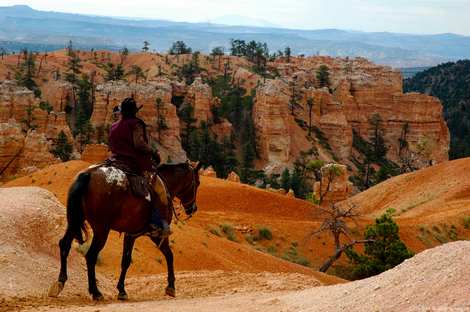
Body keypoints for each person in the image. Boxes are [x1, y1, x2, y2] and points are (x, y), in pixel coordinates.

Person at [108, 97, 170, 237]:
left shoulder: (114, 126)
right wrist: (153, 152)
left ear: (122, 111)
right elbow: (139, 144)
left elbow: (111, 143)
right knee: (153, 190)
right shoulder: (136, 124)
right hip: (132, 163)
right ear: (134, 112)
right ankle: (155, 223)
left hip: (114, 160)